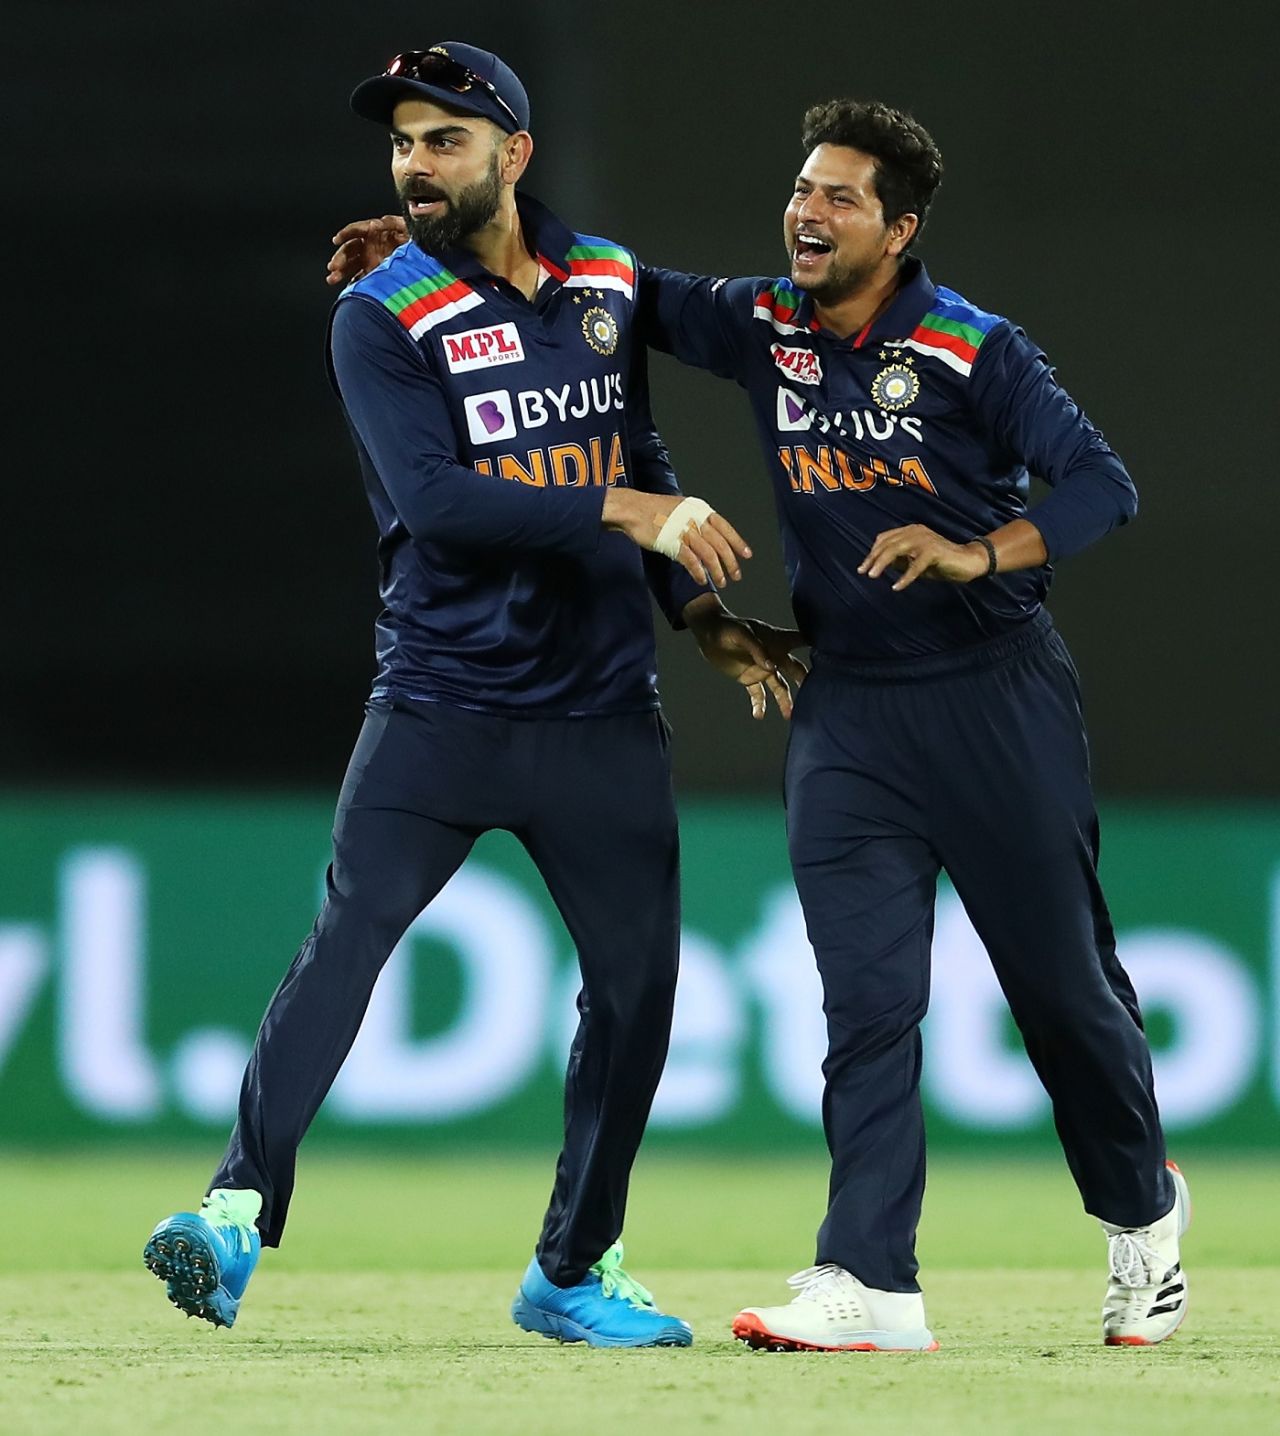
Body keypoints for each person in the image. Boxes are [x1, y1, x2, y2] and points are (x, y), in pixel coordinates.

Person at [327, 101, 1188, 1351]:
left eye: (840, 197)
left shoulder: (970, 348)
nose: (806, 210)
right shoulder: (761, 322)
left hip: (993, 697)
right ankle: (867, 1281)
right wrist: (418, 258)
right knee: (865, 1005)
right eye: (801, 188)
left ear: (898, 230)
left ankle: (1140, 1212)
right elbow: (594, 285)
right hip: (845, 713)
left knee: (1060, 997)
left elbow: (1103, 484)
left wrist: (973, 551)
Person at [141, 41, 805, 1350]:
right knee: (347, 944)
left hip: (602, 717)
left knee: (640, 995)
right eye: (401, 141)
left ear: (516, 152)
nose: (415, 161)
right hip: (439, 708)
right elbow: (442, 508)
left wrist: (707, 619)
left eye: (445, 136)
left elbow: (639, 448)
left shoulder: (605, 282)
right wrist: (637, 509)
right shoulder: (377, 311)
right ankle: (231, 1207)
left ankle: (570, 1269)